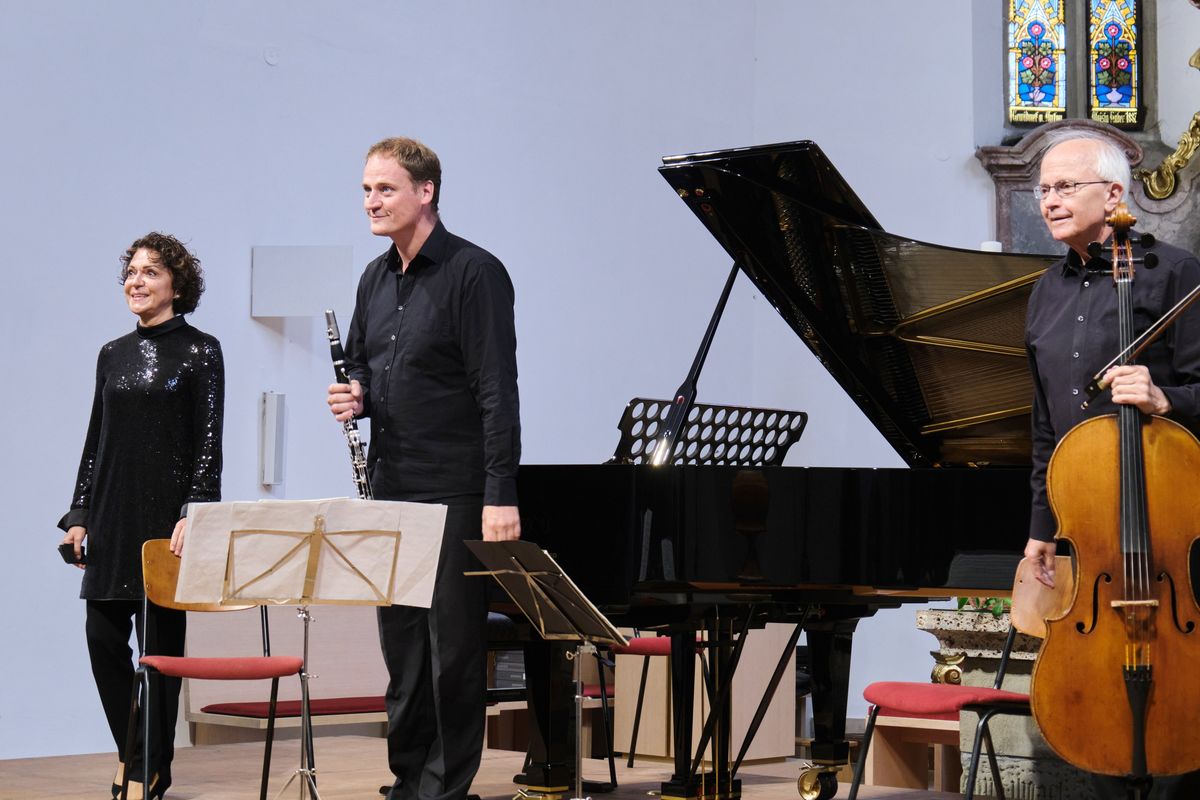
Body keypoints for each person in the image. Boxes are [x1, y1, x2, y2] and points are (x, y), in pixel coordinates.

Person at [327, 137, 521, 800]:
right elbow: (362, 361)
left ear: (425, 191)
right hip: (392, 487)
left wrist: (500, 492)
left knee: (453, 651)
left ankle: (444, 786)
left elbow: (497, 389)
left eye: (385, 189)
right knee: (403, 649)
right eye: (366, 190)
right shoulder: (374, 279)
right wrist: (355, 393)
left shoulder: (475, 272)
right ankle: (408, 778)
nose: (371, 202)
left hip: (455, 488)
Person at [1023, 129, 1200, 799]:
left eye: (1066, 186)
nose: (1050, 200)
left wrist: (1165, 398)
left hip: (1172, 520)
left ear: (1115, 194)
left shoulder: (1176, 274)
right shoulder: (1044, 293)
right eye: (1044, 189)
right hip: (1090, 525)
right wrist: (1042, 527)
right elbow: (1046, 427)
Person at [58, 232, 224, 800]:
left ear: (177, 284)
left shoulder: (202, 351)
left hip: (166, 525)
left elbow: (208, 442)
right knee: (103, 641)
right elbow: (95, 440)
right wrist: (79, 513)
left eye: (151, 271)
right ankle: (135, 754)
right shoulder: (112, 353)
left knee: (160, 656)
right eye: (131, 271)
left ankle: (148, 768)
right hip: (110, 516)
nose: (136, 280)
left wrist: (196, 510)